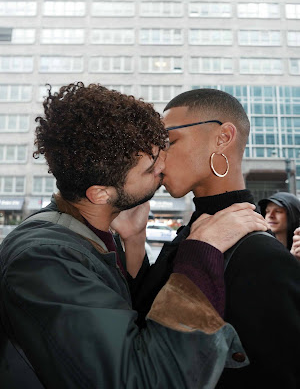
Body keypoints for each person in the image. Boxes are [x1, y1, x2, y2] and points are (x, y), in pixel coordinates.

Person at [0, 83, 268, 389]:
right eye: (151, 168)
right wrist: (201, 251)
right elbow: (146, 380)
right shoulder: (43, 259)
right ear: (100, 193)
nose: (163, 165)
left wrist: (134, 240)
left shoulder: (89, 236)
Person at [132, 88, 300, 389]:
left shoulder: (260, 254)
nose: (157, 159)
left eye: (169, 141)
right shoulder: (193, 235)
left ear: (223, 137)